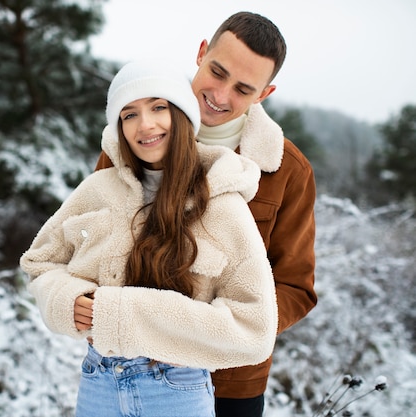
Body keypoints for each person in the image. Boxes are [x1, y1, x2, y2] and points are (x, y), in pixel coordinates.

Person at [20, 60, 278, 417]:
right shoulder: (98, 189)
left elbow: (255, 329)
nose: (146, 125)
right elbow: (39, 262)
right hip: (99, 382)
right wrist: (66, 299)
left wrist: (122, 314)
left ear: (183, 116)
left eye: (159, 107)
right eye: (129, 114)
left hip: (175, 389)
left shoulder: (222, 206)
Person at [94, 11, 318, 417]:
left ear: (264, 94)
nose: (221, 95)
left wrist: (212, 335)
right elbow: (93, 241)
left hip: (229, 385)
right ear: (201, 53)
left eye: (243, 89)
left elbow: (295, 287)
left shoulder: (288, 171)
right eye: (218, 71)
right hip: (125, 369)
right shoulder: (133, 137)